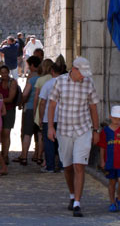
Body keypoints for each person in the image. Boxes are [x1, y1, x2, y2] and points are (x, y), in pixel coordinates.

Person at [47, 57, 100, 217]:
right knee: (68, 166)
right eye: (82, 73)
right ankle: (72, 194)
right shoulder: (60, 82)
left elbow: (93, 108)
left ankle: (77, 202)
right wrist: (50, 127)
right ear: (74, 69)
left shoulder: (88, 83)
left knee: (79, 165)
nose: (84, 76)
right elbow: (52, 104)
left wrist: (96, 130)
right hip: (64, 129)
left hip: (83, 129)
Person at [98, 105, 120, 212]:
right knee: (112, 182)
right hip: (110, 161)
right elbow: (102, 147)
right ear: (110, 117)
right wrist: (102, 160)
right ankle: (112, 202)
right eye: (114, 118)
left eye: (119, 119)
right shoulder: (105, 131)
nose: (116, 120)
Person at [38, 62, 65, 173]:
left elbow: (42, 102)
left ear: (52, 71)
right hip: (63, 117)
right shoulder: (66, 84)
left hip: (48, 117)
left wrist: (40, 117)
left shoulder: (48, 84)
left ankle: (50, 166)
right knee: (62, 143)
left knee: (49, 143)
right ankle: (63, 166)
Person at [18, 56, 41, 166]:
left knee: (27, 133)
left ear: (32, 65)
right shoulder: (43, 77)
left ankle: (24, 156)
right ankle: (38, 155)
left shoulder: (32, 78)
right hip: (42, 109)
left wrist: (21, 102)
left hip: (30, 107)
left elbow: (25, 93)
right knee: (39, 134)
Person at [33, 58, 54, 166]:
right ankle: (49, 159)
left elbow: (37, 98)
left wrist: (35, 111)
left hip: (42, 110)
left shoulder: (40, 80)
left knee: (41, 135)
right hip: (54, 111)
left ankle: (39, 156)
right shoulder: (56, 79)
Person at [0, 65, 18, 164]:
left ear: (8, 72)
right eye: (2, 73)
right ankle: (3, 153)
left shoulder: (12, 82)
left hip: (9, 110)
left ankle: (5, 155)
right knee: (1, 132)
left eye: (5, 72)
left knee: (6, 132)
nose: (4, 75)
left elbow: (10, 98)